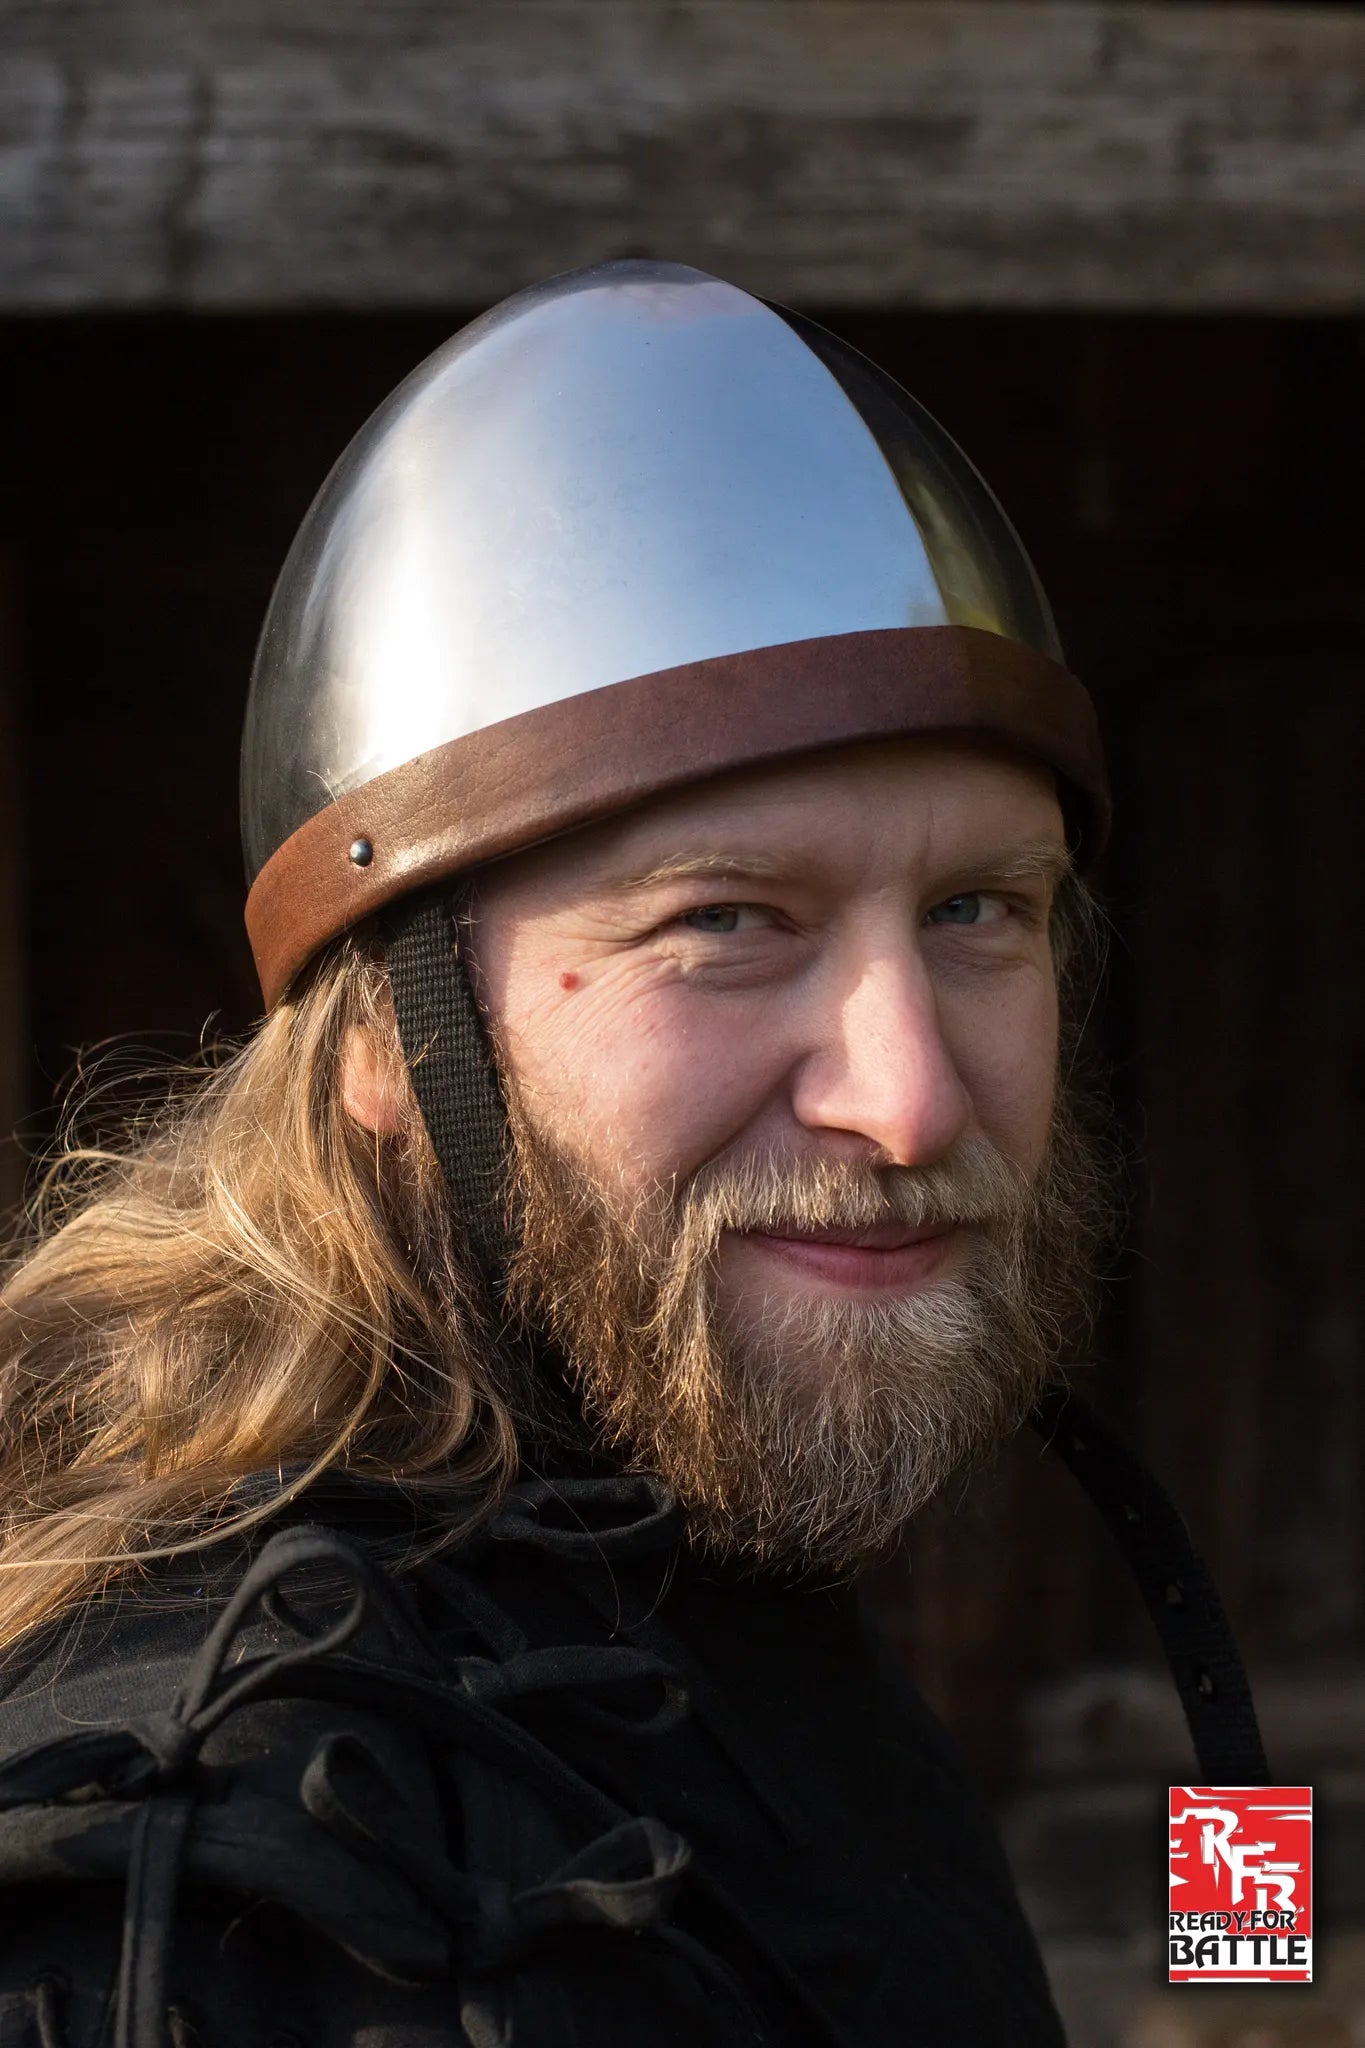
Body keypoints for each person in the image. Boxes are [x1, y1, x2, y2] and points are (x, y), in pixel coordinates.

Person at [0, 261, 1261, 2047]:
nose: (908, 1101)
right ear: (385, 1038)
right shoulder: (204, 1876)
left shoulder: (708, 1579)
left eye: (977, 909)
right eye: (725, 920)